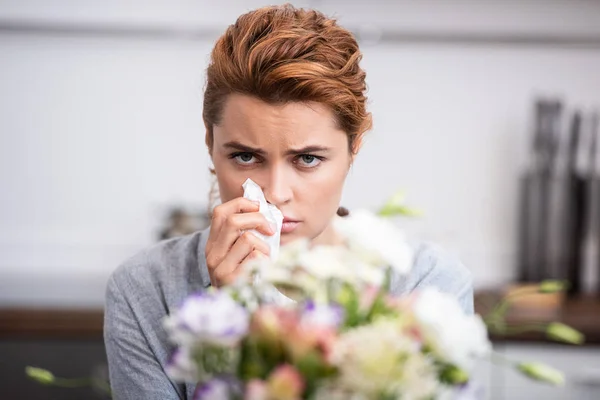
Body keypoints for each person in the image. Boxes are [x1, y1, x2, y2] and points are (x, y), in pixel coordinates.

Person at [104, 4, 473, 399]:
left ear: (354, 148)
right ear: (210, 143)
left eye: (308, 159)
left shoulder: (426, 287)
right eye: (246, 157)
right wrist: (235, 316)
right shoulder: (145, 289)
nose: (276, 193)